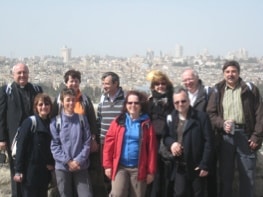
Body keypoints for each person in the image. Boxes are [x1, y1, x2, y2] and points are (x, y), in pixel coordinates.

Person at [206, 60, 263, 197]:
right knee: (225, 176)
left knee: (248, 175)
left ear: (238, 73)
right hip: (225, 136)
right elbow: (211, 113)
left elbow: (260, 114)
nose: (230, 74)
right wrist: (222, 123)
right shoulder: (217, 89)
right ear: (223, 74)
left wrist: (256, 136)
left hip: (246, 135)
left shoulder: (250, 89)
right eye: (227, 72)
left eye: (233, 71)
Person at [52, 69, 105, 196]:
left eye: (76, 81)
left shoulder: (85, 100)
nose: (74, 84)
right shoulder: (58, 101)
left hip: (81, 151)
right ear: (66, 83)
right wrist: (67, 161)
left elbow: (91, 120)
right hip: (63, 156)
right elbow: (54, 139)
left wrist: (92, 139)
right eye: (71, 81)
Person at [103, 90, 157, 197]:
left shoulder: (146, 124)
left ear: (141, 105)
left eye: (136, 103)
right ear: (125, 105)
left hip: (138, 168)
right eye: (130, 103)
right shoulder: (118, 121)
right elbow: (109, 144)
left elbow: (151, 149)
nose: (133, 105)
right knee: (117, 194)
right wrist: (107, 166)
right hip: (120, 167)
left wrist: (151, 171)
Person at [0, 63, 42, 197]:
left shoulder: (36, 89)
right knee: (16, 172)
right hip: (14, 140)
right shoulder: (6, 91)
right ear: (13, 75)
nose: (22, 75)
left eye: (24, 72)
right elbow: (1, 116)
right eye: (19, 73)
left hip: (34, 138)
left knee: (33, 171)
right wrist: (1, 139)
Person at [164, 87, 214, 197]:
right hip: (179, 165)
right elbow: (166, 137)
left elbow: (209, 142)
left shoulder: (201, 117)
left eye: (183, 101)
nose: (180, 104)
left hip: (196, 165)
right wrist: (172, 143)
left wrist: (204, 164)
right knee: (180, 193)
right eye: (177, 102)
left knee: (197, 193)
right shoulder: (171, 117)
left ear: (189, 101)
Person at [50, 88, 92, 197]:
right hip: (62, 167)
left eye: (73, 100)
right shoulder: (56, 121)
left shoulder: (82, 119)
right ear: (62, 102)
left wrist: (78, 161)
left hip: (80, 166)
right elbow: (54, 145)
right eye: (68, 100)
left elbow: (87, 142)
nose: (71, 103)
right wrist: (68, 161)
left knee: (86, 194)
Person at [181, 68, 217, 197]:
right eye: (185, 80)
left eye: (190, 79)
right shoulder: (182, 96)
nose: (188, 82)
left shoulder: (208, 93)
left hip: (205, 142)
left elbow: (212, 115)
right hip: (188, 143)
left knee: (206, 183)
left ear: (197, 78)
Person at [13, 93, 54, 197]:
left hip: (44, 172)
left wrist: (51, 162)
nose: (44, 107)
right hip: (29, 171)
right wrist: (18, 170)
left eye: (46, 104)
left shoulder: (52, 124)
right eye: (40, 105)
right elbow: (20, 147)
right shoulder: (30, 123)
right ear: (36, 107)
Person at [146, 70, 174, 197]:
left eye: (163, 83)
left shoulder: (174, 100)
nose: (160, 86)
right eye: (157, 84)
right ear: (153, 86)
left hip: (169, 140)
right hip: (153, 142)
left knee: (168, 175)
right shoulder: (149, 102)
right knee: (154, 175)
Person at [97, 72, 125, 193]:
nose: (104, 86)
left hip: (121, 143)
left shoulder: (126, 100)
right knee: (105, 174)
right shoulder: (103, 99)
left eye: (107, 83)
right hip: (104, 143)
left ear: (116, 84)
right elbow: (99, 120)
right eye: (103, 84)